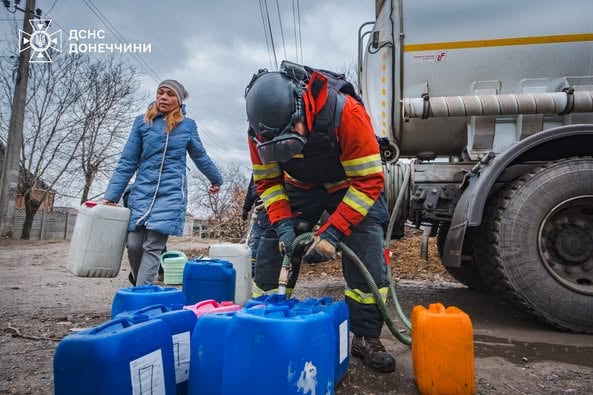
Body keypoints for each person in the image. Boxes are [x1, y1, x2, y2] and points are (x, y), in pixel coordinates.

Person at [244, 62, 396, 373]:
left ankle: (366, 337)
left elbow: (368, 181)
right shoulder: (257, 132)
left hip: (349, 183)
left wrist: (333, 233)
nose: (287, 151)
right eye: (278, 148)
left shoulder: (346, 113)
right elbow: (269, 184)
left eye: (291, 139)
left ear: (302, 110)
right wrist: (285, 226)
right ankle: (263, 319)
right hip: (300, 186)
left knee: (365, 244)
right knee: (271, 239)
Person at [102, 79, 223, 286]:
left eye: (170, 94)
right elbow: (127, 162)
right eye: (161, 92)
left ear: (178, 100)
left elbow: (200, 155)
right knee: (134, 245)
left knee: (152, 246)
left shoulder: (187, 125)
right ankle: (140, 280)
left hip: (171, 194)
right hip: (142, 193)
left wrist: (216, 179)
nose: (164, 97)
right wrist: (111, 196)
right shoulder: (142, 122)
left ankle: (142, 293)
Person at [241, 174, 271, 277]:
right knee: (257, 240)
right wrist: (246, 208)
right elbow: (251, 188)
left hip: (270, 206)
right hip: (260, 208)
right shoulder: (257, 169)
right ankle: (252, 271)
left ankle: (257, 271)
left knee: (260, 241)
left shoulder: (271, 161)